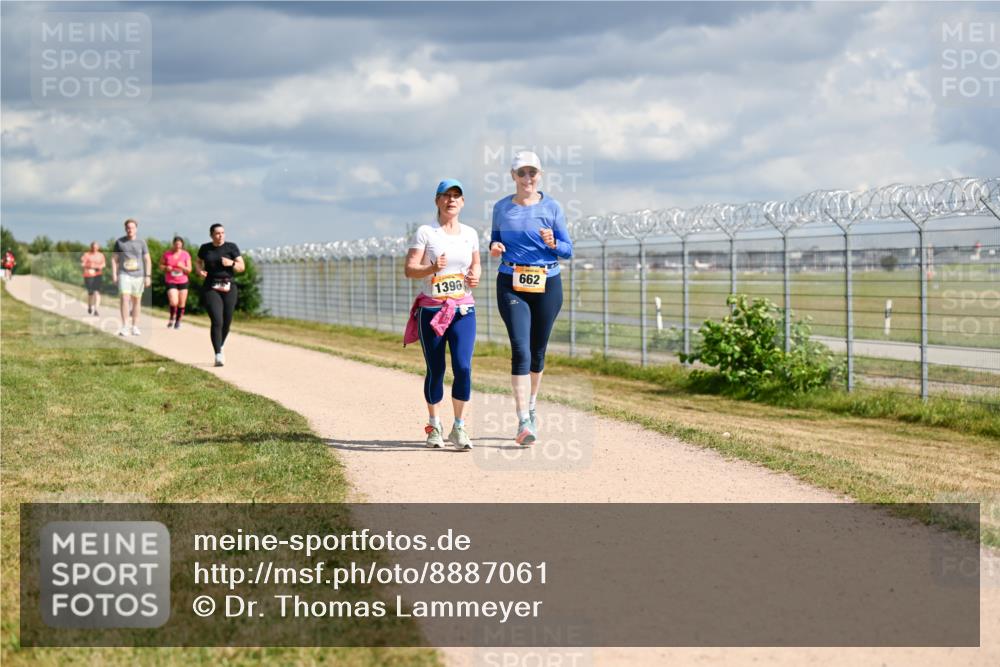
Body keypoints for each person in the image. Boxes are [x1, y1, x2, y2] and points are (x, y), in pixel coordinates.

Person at [489, 150, 573, 445]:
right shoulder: (501, 208)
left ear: (540, 175)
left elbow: (568, 251)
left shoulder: (552, 207)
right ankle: (523, 419)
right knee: (521, 350)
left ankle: (532, 404)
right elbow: (494, 239)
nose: (527, 178)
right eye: (521, 173)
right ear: (512, 176)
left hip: (547, 283)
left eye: (532, 173)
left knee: (537, 353)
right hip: (511, 283)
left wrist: (554, 243)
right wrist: (495, 247)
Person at [403, 179, 481, 450]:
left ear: (463, 202)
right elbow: (410, 269)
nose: (451, 200)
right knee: (436, 369)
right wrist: (432, 267)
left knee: (464, 367)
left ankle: (459, 427)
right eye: (446, 196)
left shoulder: (470, 233)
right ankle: (433, 425)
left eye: (456, 196)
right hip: (432, 310)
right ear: (437, 201)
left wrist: (475, 276)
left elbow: (477, 266)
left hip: (462, 308)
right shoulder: (426, 232)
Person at [197, 224, 244, 367]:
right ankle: (218, 353)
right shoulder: (205, 248)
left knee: (227, 321)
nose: (221, 235)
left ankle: (221, 344)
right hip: (211, 287)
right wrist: (199, 271)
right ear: (211, 235)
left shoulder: (231, 247)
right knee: (217, 320)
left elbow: (241, 267)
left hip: (229, 286)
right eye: (217, 233)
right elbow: (198, 262)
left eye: (223, 233)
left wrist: (231, 263)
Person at [112, 219, 151, 336]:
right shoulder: (119, 242)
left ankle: (134, 326)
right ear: (125, 229)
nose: (130, 230)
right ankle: (125, 326)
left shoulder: (141, 243)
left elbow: (147, 260)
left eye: (132, 227)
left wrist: (148, 276)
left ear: (136, 229)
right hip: (124, 274)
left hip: (138, 275)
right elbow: (114, 259)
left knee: (136, 301)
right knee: (124, 298)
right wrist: (114, 274)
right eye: (128, 227)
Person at [160, 236, 192, 329]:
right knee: (174, 301)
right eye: (176, 243)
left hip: (183, 281)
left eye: (179, 243)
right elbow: (161, 265)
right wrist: (166, 268)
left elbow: (189, 270)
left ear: (182, 244)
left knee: (181, 303)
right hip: (171, 280)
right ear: (173, 244)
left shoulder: (185, 254)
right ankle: (171, 317)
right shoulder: (167, 254)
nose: (178, 245)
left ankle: (178, 321)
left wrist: (182, 267)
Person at [80, 242, 106, 316]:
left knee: (97, 292)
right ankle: (90, 306)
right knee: (90, 292)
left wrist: (99, 267)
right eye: (93, 247)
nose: (94, 249)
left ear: (98, 248)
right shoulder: (87, 254)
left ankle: (96, 309)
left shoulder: (101, 255)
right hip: (88, 275)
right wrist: (89, 266)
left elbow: (104, 264)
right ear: (91, 247)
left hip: (98, 275)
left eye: (96, 247)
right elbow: (82, 263)